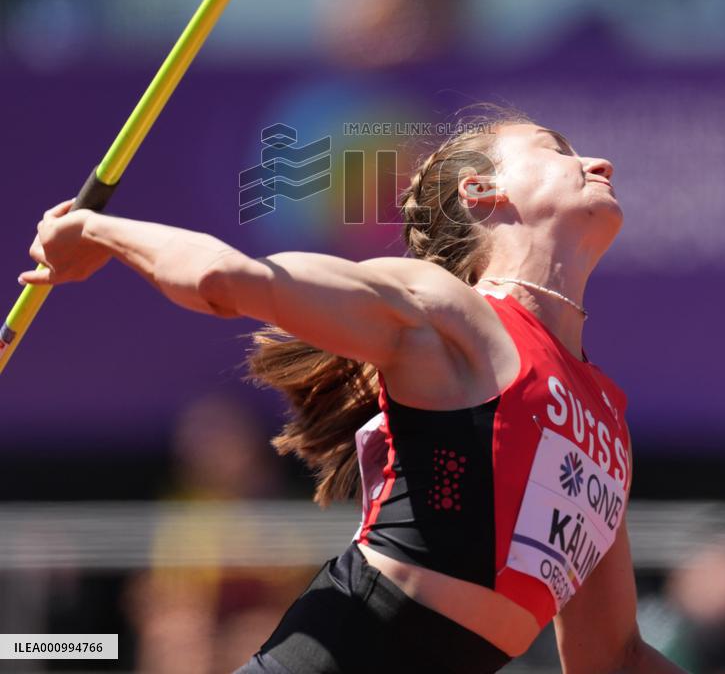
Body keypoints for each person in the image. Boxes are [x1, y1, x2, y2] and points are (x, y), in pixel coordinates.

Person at [19, 108, 689, 674]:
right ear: (481, 190)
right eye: (558, 150)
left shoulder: (605, 417)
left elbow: (616, 657)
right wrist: (94, 233)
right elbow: (228, 278)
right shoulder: (443, 309)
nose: (597, 161)